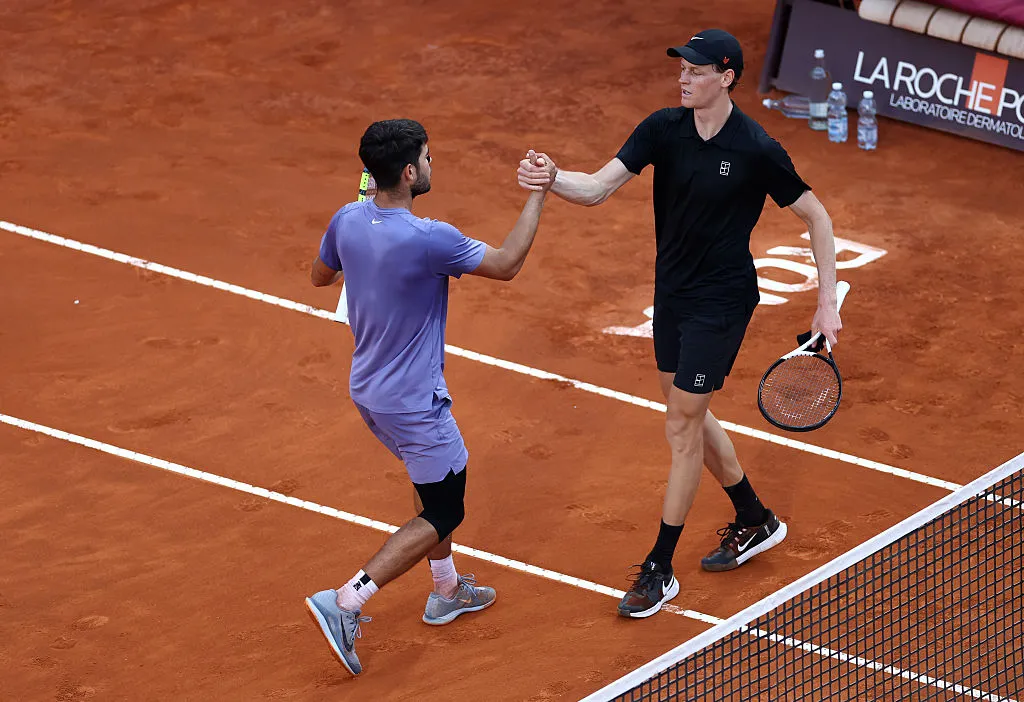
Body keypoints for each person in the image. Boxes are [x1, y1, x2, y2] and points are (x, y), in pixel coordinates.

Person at [518, 29, 842, 618]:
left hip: (722, 302)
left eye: (695, 70)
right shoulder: (662, 130)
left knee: (682, 426)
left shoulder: (755, 148)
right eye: (681, 70)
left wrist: (827, 304)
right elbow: (595, 189)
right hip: (671, 294)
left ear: (726, 77)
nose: (683, 78)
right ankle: (754, 517)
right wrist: (553, 177)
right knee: (682, 408)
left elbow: (817, 217)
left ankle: (659, 567)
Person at [306, 119, 552, 674]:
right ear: (410, 172)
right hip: (415, 401)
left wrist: (359, 235)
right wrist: (537, 195)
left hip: (368, 391)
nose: (433, 164)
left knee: (430, 483)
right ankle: (346, 599)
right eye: (428, 157)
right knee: (445, 508)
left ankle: (446, 591)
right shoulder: (429, 237)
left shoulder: (346, 219)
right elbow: (508, 263)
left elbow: (321, 278)